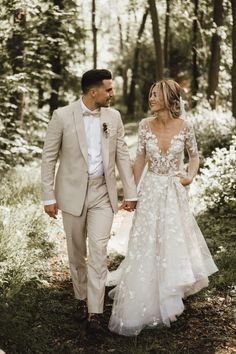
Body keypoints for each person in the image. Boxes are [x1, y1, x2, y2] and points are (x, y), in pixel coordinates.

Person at [108, 79, 218, 336]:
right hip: (151, 190)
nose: (151, 98)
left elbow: (194, 156)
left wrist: (189, 177)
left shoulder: (185, 126)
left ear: (170, 98)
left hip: (173, 192)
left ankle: (170, 290)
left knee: (171, 240)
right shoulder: (145, 126)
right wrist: (130, 192)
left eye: (156, 95)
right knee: (147, 241)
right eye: (150, 95)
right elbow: (139, 160)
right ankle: (145, 291)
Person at [41, 69, 137, 333]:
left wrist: (130, 192)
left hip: (102, 194)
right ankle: (80, 298)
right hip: (71, 194)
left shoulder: (113, 117)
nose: (112, 94)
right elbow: (49, 158)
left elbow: (122, 155)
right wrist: (48, 196)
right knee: (76, 252)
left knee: (98, 251)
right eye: (108, 89)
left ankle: (95, 312)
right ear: (93, 91)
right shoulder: (62, 116)